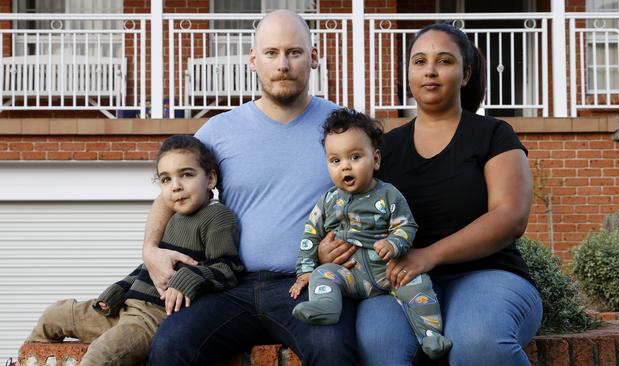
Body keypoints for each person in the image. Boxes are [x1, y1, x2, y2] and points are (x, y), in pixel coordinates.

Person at [319, 23, 543, 365]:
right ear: (408, 72)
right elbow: (347, 208)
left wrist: (429, 255)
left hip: (488, 274)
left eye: (444, 61)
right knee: (378, 343)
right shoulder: (383, 149)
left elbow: (510, 216)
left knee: (476, 341)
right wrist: (326, 248)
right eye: (419, 61)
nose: (430, 71)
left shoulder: (493, 134)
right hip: (396, 281)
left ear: (466, 73)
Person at [144, 10, 358, 366]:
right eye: (272, 53)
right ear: (253, 60)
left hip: (307, 282)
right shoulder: (217, 131)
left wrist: (345, 241)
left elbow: (373, 198)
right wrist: (150, 249)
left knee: (334, 349)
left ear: (314, 56)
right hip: (229, 285)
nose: (283, 64)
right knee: (170, 346)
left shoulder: (344, 128)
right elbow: (171, 194)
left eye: (294, 52)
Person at [26, 135, 243, 366]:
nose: (176, 186)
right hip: (123, 311)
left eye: (186, 175)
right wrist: (120, 288)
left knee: (100, 356)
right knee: (56, 315)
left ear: (210, 178)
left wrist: (189, 278)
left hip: (152, 319)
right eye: (166, 179)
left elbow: (228, 268)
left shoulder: (218, 216)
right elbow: (150, 267)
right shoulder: (173, 217)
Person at [289, 108, 452, 360]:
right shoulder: (327, 201)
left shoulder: (388, 195)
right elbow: (310, 235)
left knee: (419, 284)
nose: (345, 166)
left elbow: (406, 226)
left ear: (375, 159)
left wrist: (394, 243)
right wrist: (306, 270)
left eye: (355, 157)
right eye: (335, 160)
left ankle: (431, 336)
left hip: (388, 271)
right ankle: (326, 306)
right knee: (323, 275)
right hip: (350, 274)